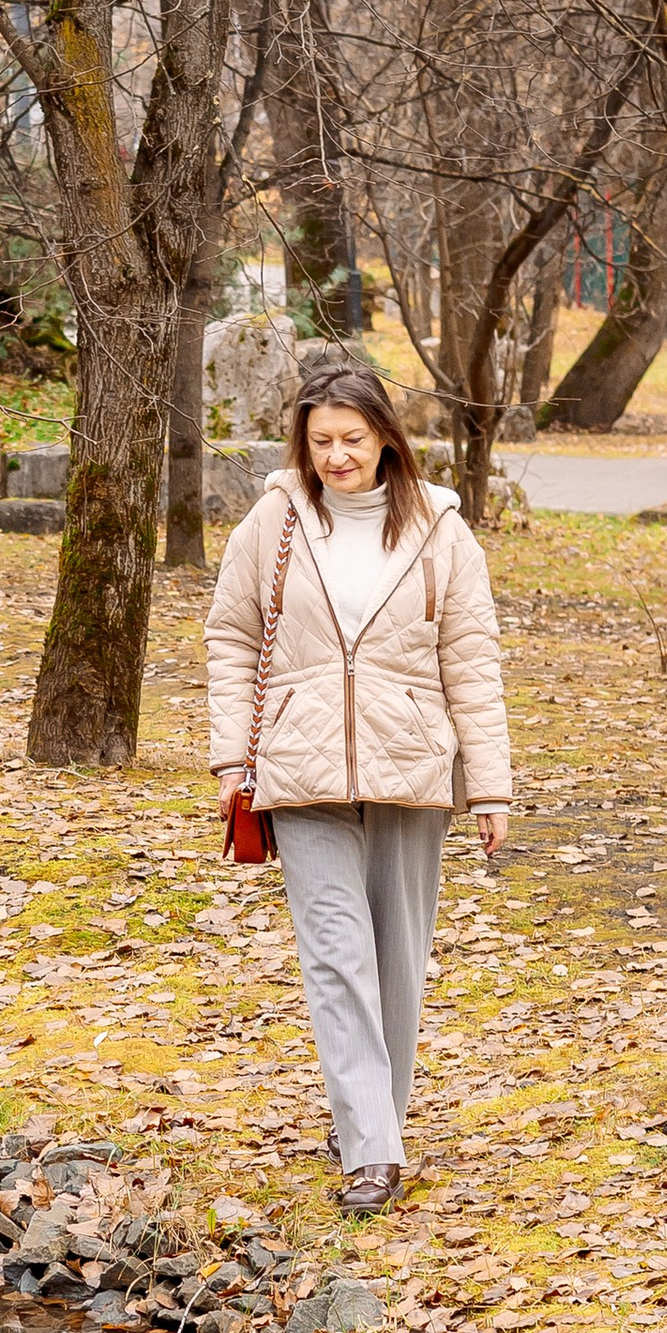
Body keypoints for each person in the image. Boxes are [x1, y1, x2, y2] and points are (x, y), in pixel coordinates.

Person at [203, 361, 511, 1209]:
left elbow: (472, 664)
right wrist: (234, 758)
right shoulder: (276, 521)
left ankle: (374, 1115)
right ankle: (372, 1150)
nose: (336, 457)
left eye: (352, 439)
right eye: (320, 440)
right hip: (299, 768)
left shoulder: (440, 530)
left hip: (411, 763)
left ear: (385, 438)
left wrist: (489, 788)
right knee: (337, 955)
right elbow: (231, 636)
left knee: (398, 959)